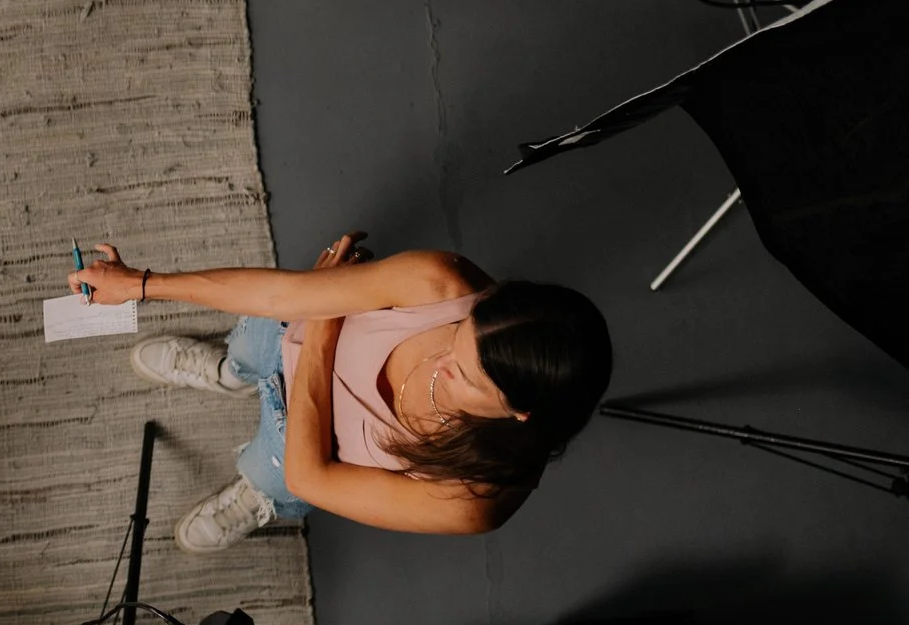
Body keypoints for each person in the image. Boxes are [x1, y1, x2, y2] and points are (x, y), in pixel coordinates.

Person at [74, 234, 610, 551]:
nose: (445, 362)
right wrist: (142, 283)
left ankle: (256, 495)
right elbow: (279, 293)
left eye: (466, 376)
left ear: (519, 413)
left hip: (301, 445)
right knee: (250, 345)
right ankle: (228, 371)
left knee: (276, 478)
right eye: (458, 337)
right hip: (291, 331)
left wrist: (325, 318)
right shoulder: (441, 284)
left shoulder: (477, 498)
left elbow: (311, 475)